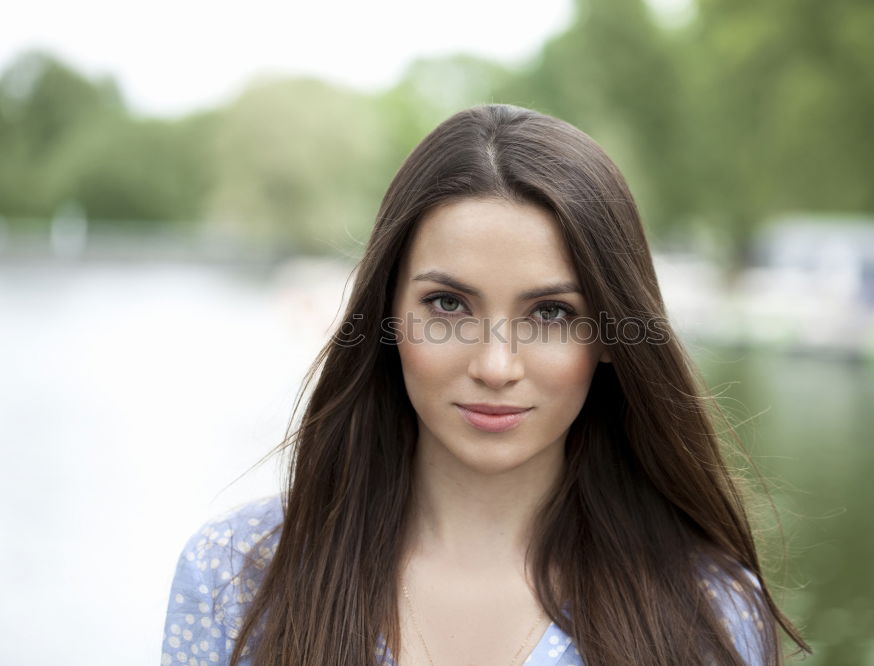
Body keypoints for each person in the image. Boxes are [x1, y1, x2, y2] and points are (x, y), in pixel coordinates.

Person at [160, 103, 811, 666]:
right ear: (387, 316)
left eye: (551, 314)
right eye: (448, 305)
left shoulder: (706, 607)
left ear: (611, 335)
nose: (496, 366)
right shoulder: (236, 573)